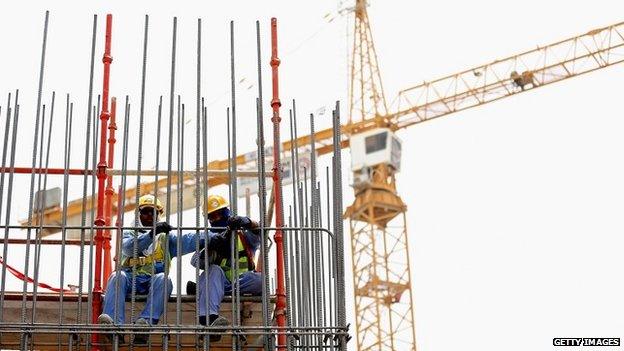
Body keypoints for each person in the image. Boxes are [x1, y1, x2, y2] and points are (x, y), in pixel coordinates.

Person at [97, 194, 206, 344]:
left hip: (152, 282)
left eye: (153, 212)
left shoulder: (166, 238)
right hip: (129, 279)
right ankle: (114, 327)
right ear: (139, 214)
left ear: (158, 215)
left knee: (164, 279)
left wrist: (214, 235)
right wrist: (151, 234)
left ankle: (144, 325)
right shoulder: (129, 232)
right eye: (145, 211)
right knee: (117, 276)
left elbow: (189, 239)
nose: (149, 215)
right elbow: (130, 249)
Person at [191, 194, 263, 342]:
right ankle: (210, 321)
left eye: (219, 214)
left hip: (240, 284)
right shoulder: (209, 238)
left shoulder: (243, 236)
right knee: (213, 271)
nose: (217, 219)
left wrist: (248, 222)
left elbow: (260, 232)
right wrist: (210, 247)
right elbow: (195, 262)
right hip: (218, 286)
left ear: (226, 213)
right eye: (212, 216)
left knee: (260, 279)